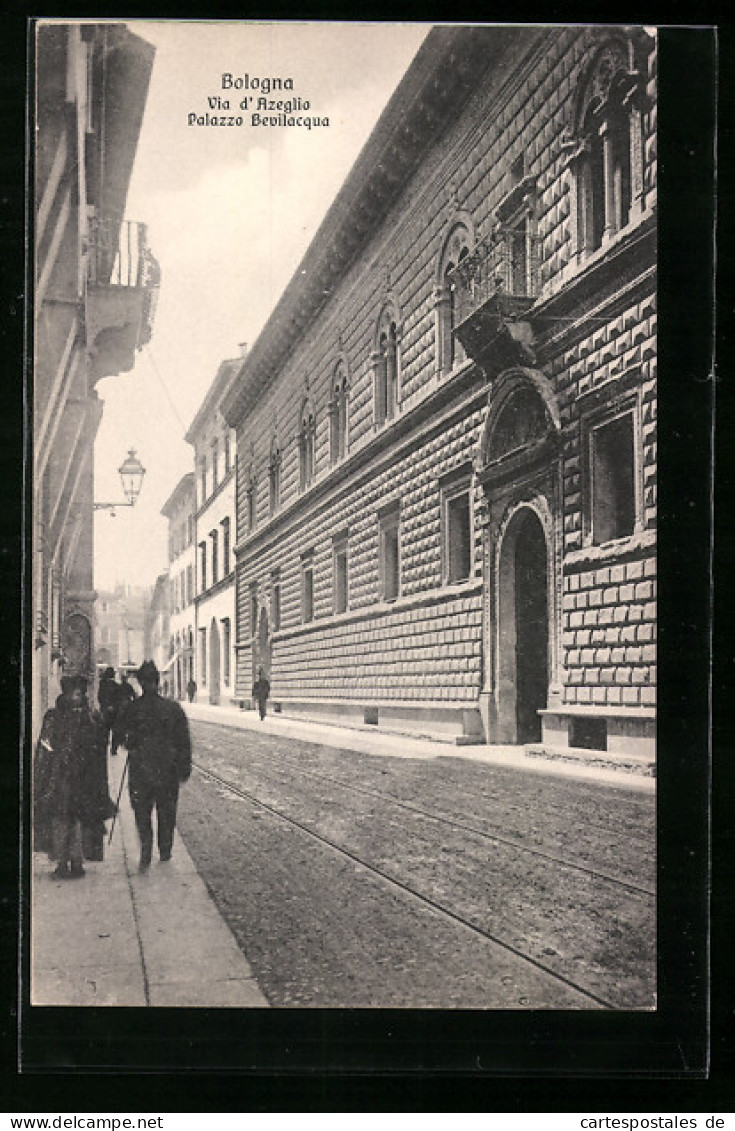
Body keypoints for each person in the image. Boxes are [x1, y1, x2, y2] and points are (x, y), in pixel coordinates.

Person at [33, 675, 115, 879]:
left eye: (80, 693)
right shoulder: (54, 716)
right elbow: (44, 745)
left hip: (83, 778)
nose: (78, 697)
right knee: (60, 819)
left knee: (79, 820)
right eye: (74, 693)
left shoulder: (92, 717)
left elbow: (99, 748)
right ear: (66, 694)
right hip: (60, 778)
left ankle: (77, 861)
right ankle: (61, 862)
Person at [120, 660, 192, 872]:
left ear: (141, 682)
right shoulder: (173, 708)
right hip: (166, 770)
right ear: (157, 682)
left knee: (142, 811)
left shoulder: (133, 709)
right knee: (166, 811)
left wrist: (131, 742)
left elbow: (125, 738)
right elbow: (183, 741)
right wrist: (183, 767)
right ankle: (165, 849)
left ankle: (145, 851)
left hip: (141, 770)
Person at [111, 673, 136, 756]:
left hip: (120, 710)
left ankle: (114, 748)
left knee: (118, 729)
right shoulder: (128, 687)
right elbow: (134, 696)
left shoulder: (118, 687)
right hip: (127, 709)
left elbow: (114, 698)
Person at [98, 667, 121, 756]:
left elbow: (100, 697)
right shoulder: (116, 686)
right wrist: (113, 706)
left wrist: (105, 706)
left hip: (104, 710)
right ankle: (114, 749)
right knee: (115, 731)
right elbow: (118, 700)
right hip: (114, 712)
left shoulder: (102, 685)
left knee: (105, 730)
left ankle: (104, 746)